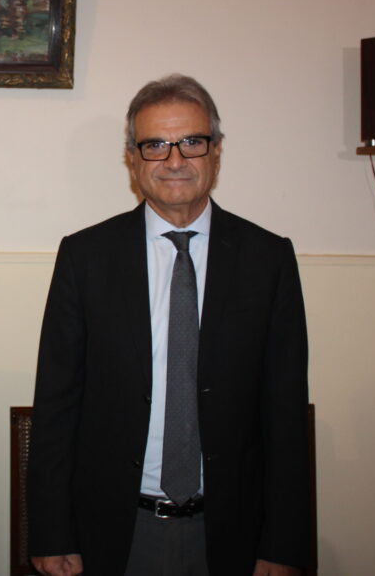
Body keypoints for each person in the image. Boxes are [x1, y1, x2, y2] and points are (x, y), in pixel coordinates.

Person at [27, 74, 310, 576]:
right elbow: (56, 404)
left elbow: (284, 411)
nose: (174, 160)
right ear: (132, 159)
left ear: (216, 151)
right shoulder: (85, 257)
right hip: (115, 528)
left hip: (233, 531)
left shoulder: (268, 259)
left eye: (191, 142)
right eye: (155, 145)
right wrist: (52, 531)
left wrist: (283, 542)